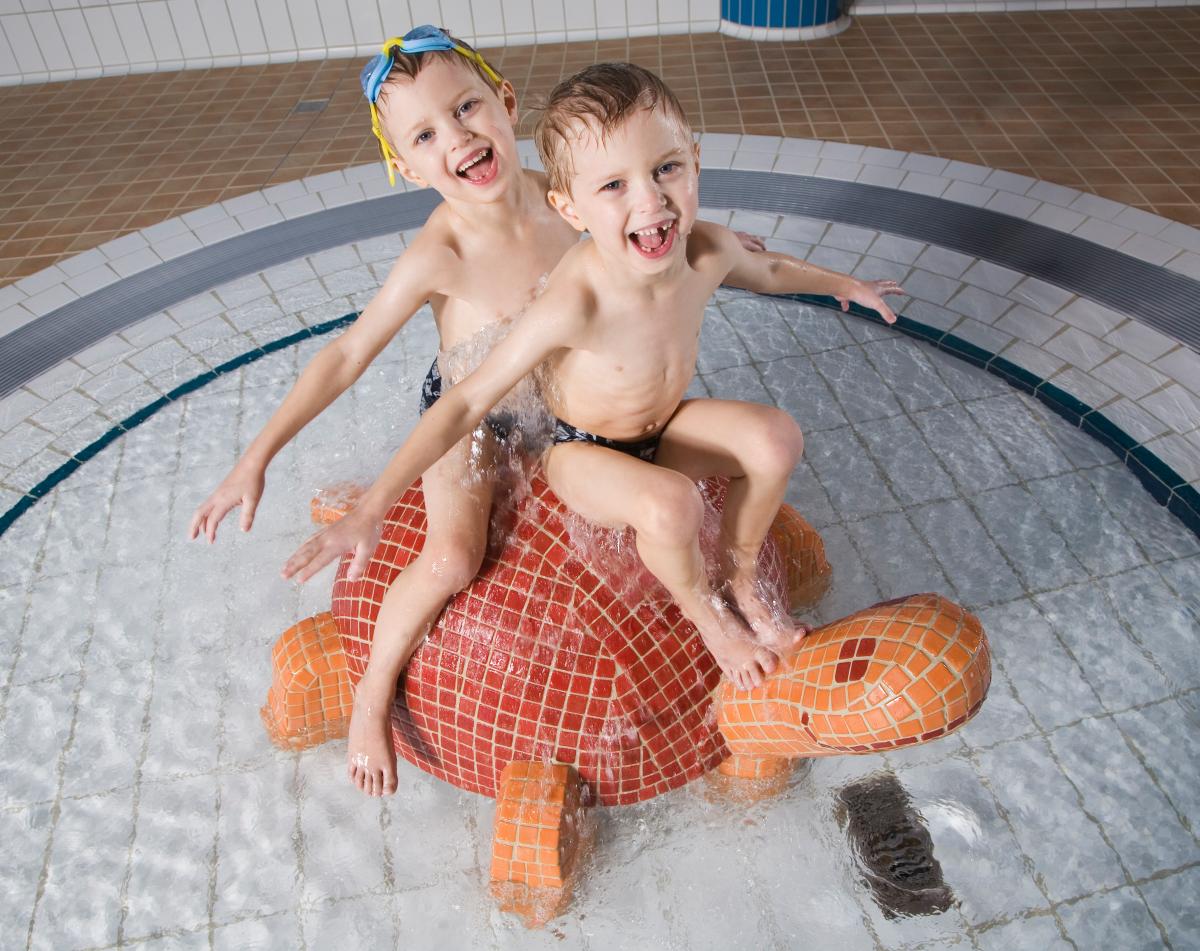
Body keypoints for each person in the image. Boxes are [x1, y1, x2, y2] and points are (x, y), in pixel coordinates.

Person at [282, 62, 904, 699]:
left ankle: (741, 574)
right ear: (569, 207)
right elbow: (467, 399)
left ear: (694, 161)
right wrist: (373, 506)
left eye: (667, 170)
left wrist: (843, 284)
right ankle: (710, 619)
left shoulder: (706, 251)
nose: (651, 202)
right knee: (672, 505)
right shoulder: (572, 302)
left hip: (660, 427)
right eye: (613, 185)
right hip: (581, 451)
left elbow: (769, 269)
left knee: (775, 438)